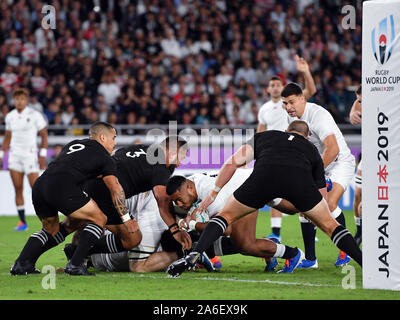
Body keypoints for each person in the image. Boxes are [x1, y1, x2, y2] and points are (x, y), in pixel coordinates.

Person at [166, 120, 362, 278]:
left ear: (286, 130)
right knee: (330, 226)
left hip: (263, 178)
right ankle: (365, 262)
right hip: (298, 179)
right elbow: (321, 196)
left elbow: (232, 162)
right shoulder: (312, 151)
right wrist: (315, 214)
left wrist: (213, 194)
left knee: (225, 217)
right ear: (308, 137)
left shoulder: (265, 136)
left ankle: (194, 254)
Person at [10, 122, 137, 276]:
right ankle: (75, 264)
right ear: (103, 137)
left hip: (40, 186)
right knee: (99, 218)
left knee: (51, 230)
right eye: (113, 138)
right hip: (63, 187)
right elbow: (114, 187)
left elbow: (73, 167)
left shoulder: (74, 144)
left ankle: (22, 264)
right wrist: (125, 218)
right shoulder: (105, 157)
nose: (114, 143)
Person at [63, 136, 191, 257]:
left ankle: (73, 259)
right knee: (132, 238)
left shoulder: (140, 148)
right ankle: (79, 253)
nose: (179, 164)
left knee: (70, 225)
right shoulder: (160, 165)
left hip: (89, 183)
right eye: (180, 157)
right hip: (107, 192)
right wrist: (175, 230)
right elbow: (162, 200)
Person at [167, 169, 302, 273]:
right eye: (175, 201)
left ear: (190, 188)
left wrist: (192, 224)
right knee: (296, 209)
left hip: (252, 187)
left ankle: (292, 254)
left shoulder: (209, 192)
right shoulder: (189, 184)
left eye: (179, 199)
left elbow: (226, 229)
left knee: (245, 244)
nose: (178, 204)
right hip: (249, 184)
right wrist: (184, 222)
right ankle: (269, 248)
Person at [283, 83, 356, 267]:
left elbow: (333, 149)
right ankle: (310, 259)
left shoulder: (318, 115)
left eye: (291, 102)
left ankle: (345, 252)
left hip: (340, 162)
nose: (288, 107)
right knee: (304, 206)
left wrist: (313, 174)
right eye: (285, 103)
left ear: (302, 98)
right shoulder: (291, 120)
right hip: (318, 165)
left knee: (329, 205)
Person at [257, 55, 316, 242]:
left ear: (282, 88)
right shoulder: (264, 109)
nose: (274, 87)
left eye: (277, 85)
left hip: (294, 150)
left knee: (302, 191)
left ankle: (311, 229)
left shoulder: (290, 103)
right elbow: (259, 133)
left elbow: (311, 90)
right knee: (273, 191)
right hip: (274, 154)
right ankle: (276, 233)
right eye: (272, 85)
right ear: (268, 89)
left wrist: (306, 72)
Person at [0, 88, 48, 231]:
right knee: (17, 188)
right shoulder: (10, 116)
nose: (19, 101)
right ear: (14, 101)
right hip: (14, 156)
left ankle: (46, 219)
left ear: (26, 100)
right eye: (17, 99)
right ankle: (22, 222)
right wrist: (1, 155)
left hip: (30, 156)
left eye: (22, 99)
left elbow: (44, 135)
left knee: (36, 189)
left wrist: (43, 154)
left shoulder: (34, 115)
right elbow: (7, 137)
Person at [348, 85, 362, 246]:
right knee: (358, 194)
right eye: (359, 100)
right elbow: (353, 112)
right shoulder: (360, 102)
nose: (360, 103)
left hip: (389, 153)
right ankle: (359, 231)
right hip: (369, 152)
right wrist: (353, 113)